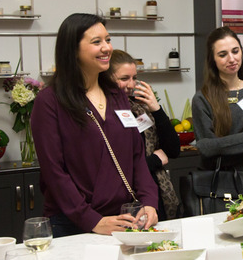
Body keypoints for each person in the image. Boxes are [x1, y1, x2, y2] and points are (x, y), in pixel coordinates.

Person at [31, 13, 159, 236]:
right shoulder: (50, 101)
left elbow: (136, 154)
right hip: (74, 223)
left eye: (108, 40)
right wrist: (92, 220)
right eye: (96, 42)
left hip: (123, 218)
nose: (107, 48)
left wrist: (149, 200)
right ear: (72, 49)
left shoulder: (117, 95)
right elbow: (54, 172)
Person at [109, 49, 181, 220]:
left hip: (156, 193)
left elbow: (173, 149)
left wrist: (156, 109)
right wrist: (154, 161)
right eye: (124, 79)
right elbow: (118, 167)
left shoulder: (138, 107)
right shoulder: (106, 114)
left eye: (134, 78)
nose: (132, 84)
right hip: (125, 199)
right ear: (107, 78)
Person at [192, 26, 243, 177]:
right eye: (223, 54)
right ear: (213, 60)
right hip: (218, 186)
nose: (231, 59)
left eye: (235, 51)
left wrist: (219, 145)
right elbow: (206, 149)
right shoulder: (202, 99)